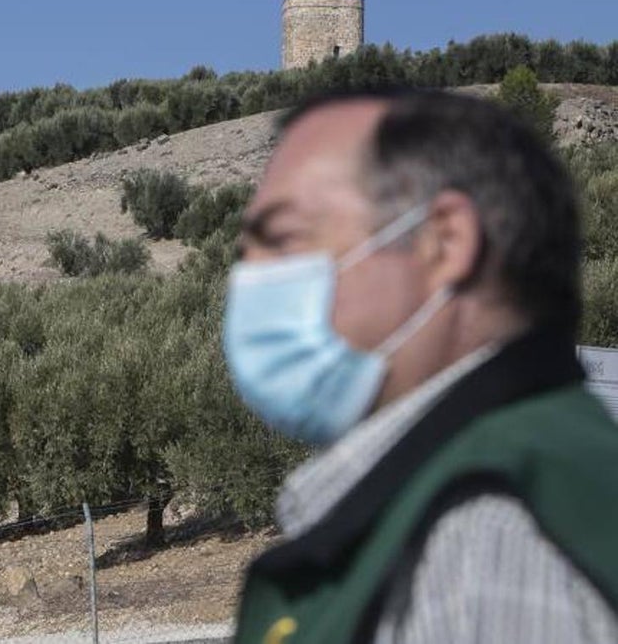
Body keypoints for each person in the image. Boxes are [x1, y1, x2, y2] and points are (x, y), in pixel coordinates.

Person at [222, 89, 618, 643]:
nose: (248, 280)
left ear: (445, 242)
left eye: (285, 239)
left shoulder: (481, 545)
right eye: (246, 254)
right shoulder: (542, 481)